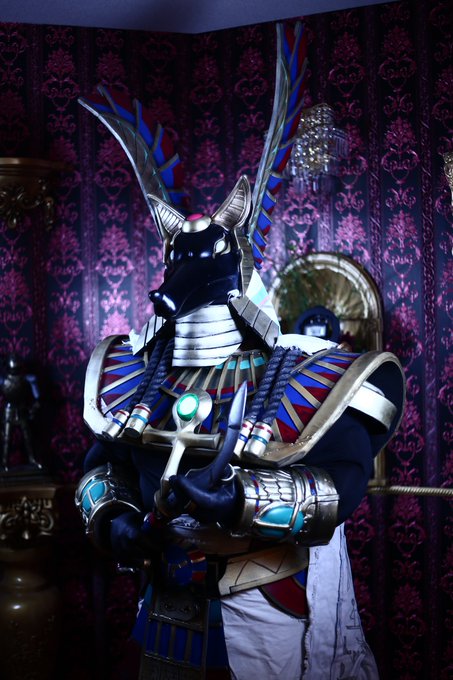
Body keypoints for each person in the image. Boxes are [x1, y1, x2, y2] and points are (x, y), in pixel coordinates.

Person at [75, 24, 405, 679]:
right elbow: (101, 469)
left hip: (263, 602)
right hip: (167, 604)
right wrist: (114, 520)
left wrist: (240, 501)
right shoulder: (137, 372)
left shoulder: (308, 373)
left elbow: (339, 485)